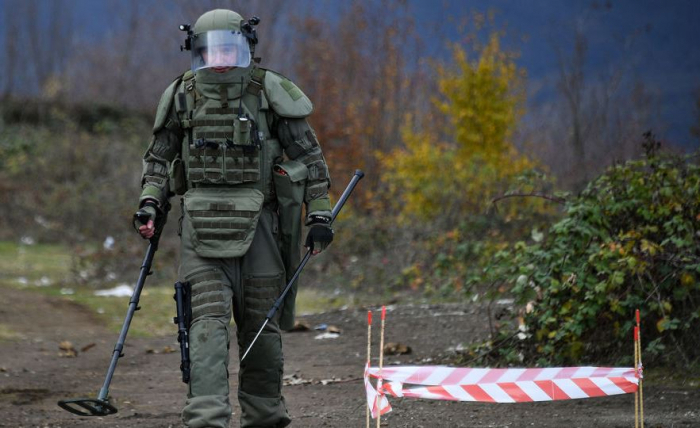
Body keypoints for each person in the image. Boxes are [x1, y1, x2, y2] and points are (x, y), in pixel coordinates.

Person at [133, 9, 333, 428]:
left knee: (262, 329)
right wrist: (149, 204)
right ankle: (207, 418)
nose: (221, 58)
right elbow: (158, 161)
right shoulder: (182, 95)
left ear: (246, 48)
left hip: (262, 225)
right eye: (212, 50)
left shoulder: (269, 92)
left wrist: (320, 215)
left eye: (229, 48)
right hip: (201, 230)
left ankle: (264, 416)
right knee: (205, 328)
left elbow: (310, 160)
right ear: (198, 51)